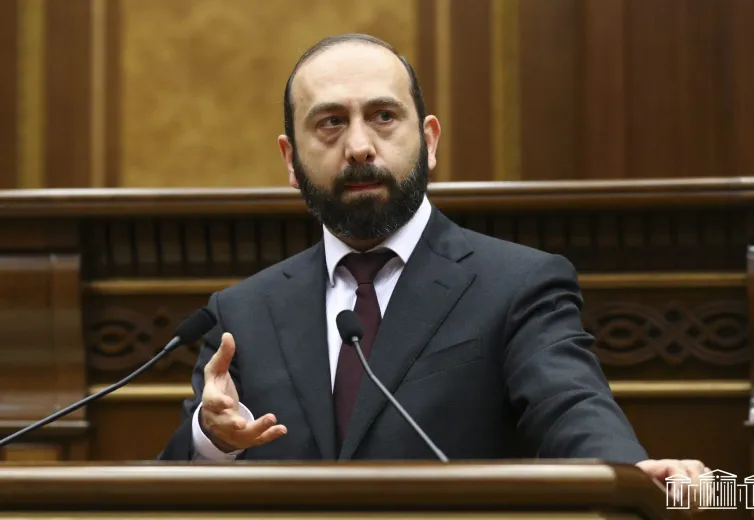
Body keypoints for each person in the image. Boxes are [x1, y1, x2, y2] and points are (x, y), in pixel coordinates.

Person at [159, 33, 708, 486]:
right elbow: (170, 487)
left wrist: (627, 471)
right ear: (290, 158)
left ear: (429, 140)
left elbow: (568, 403)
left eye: (383, 116)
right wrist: (214, 441)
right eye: (330, 122)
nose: (359, 146)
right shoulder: (242, 314)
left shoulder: (516, 285)